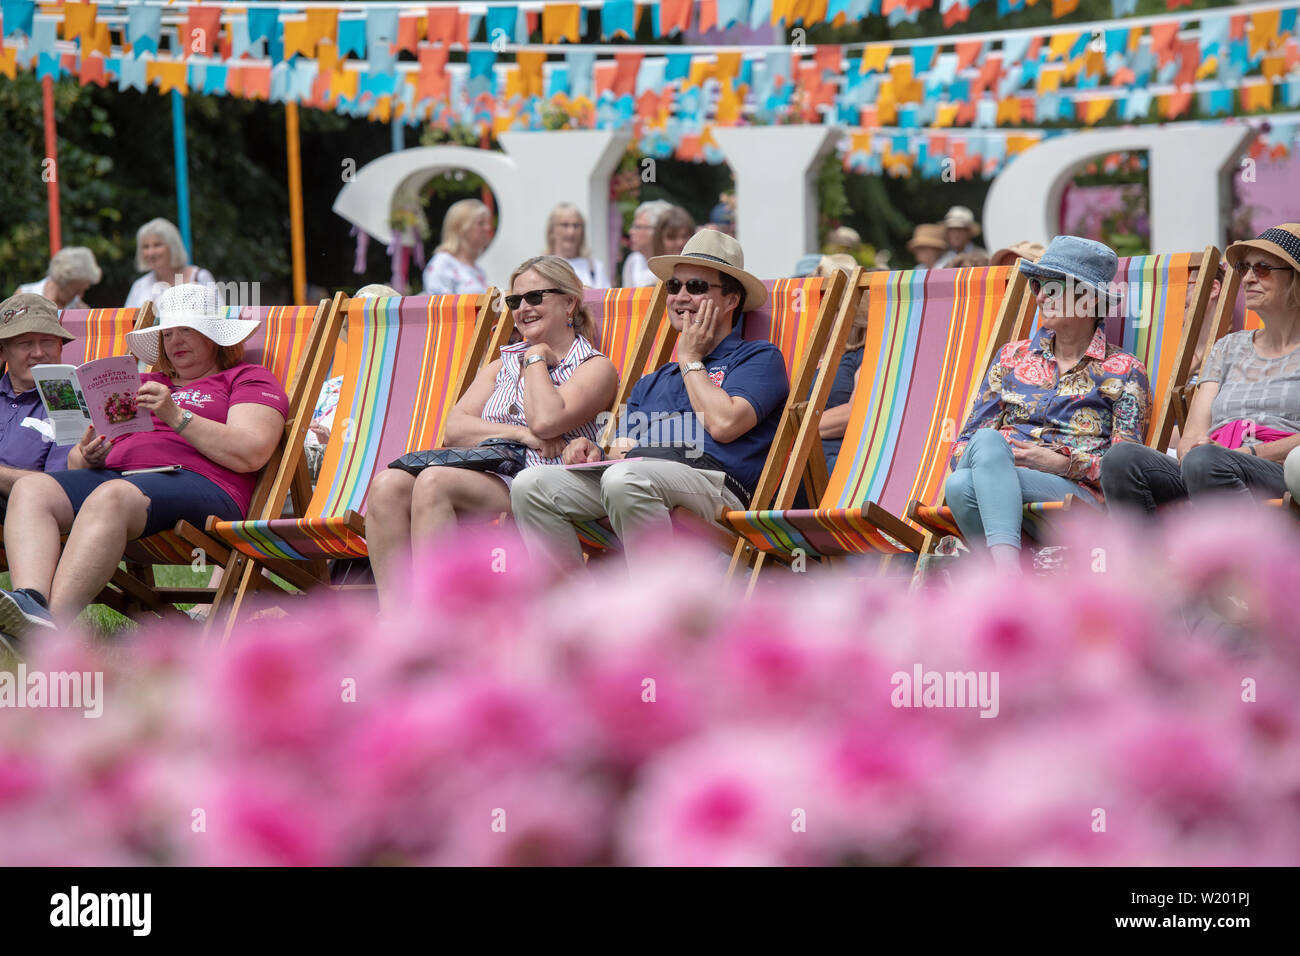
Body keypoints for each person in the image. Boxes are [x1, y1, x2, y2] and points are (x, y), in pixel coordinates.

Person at [0, 283, 289, 642]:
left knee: (112, 496)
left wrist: (176, 414)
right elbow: (75, 464)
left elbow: (251, 453)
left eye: (188, 330)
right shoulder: (139, 382)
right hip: (119, 478)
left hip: (201, 485)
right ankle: (31, 601)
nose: (175, 340)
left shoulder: (246, 378)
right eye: (167, 333)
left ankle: (46, 634)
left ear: (215, 337)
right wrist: (87, 455)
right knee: (32, 489)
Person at [511, 231, 788, 572]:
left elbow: (725, 424)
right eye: (674, 287)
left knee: (626, 479)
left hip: (715, 485)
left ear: (731, 300)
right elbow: (622, 450)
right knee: (531, 485)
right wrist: (594, 451)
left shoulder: (759, 358)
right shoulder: (653, 381)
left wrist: (690, 357)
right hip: (638, 475)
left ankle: (656, 610)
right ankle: (570, 608)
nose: (680, 297)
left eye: (696, 287)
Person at [365, 256, 617, 611]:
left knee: (434, 482)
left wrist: (535, 360)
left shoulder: (594, 367)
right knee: (386, 486)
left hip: (542, 482)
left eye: (534, 298)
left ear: (569, 302)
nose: (522, 308)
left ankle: (439, 621)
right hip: (493, 468)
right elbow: (454, 428)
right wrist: (520, 434)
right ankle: (398, 623)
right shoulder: (501, 363)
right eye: (515, 301)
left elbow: (546, 421)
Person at [944, 236, 1151, 571]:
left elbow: (1124, 469)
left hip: (1073, 499)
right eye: (1036, 284)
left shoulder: (1124, 371)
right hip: (995, 471)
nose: (1040, 295)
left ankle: (1003, 578)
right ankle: (1009, 573)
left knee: (961, 486)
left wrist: (1058, 463)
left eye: (1052, 286)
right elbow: (964, 444)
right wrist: (996, 458)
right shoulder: (1011, 357)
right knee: (982, 447)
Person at [1101, 225, 1300, 513]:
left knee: (1206, 461)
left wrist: (1251, 452)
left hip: (1279, 471)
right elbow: (1192, 436)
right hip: (1208, 467)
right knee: (1121, 459)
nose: (1247, 279)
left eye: (1263, 269)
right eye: (1245, 268)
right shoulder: (1228, 348)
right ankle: (1145, 558)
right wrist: (1198, 450)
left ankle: (1243, 555)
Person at [0, 294, 74, 519]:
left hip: (26, 513)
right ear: (3, 351)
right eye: (25, 344)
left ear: (61, 346)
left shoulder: (67, 402)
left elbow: (55, 489)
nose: (39, 353)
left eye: (48, 341)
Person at [124, 218, 216, 308]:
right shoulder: (139, 286)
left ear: (173, 246)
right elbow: (128, 321)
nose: (151, 252)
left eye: (157, 245)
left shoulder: (200, 277)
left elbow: (220, 318)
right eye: (145, 246)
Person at [422, 199, 493, 295]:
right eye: (480, 223)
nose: (487, 228)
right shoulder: (442, 264)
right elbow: (439, 307)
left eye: (487, 223)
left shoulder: (477, 269)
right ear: (461, 228)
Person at [544, 203, 609, 288]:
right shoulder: (543, 268)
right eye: (565, 225)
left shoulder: (596, 268)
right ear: (552, 230)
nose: (571, 231)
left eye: (576, 225)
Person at [15, 247, 102, 310]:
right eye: (77, 290)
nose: (80, 296)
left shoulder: (79, 308)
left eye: (83, 290)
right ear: (60, 282)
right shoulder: (24, 297)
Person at [623, 200, 672, 287]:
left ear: (657, 230)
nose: (631, 232)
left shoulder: (673, 263)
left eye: (638, 227)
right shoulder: (633, 260)